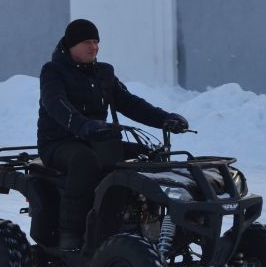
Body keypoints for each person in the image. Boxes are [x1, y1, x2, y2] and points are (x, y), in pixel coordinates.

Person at [37, 18, 189, 251]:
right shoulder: (53, 71)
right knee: (84, 161)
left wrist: (164, 119)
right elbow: (56, 104)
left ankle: (143, 222)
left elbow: (130, 103)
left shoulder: (103, 73)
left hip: (98, 139)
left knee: (149, 157)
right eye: (87, 41)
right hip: (59, 143)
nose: (94, 47)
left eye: (96, 42)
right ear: (71, 45)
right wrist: (84, 125)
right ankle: (72, 234)